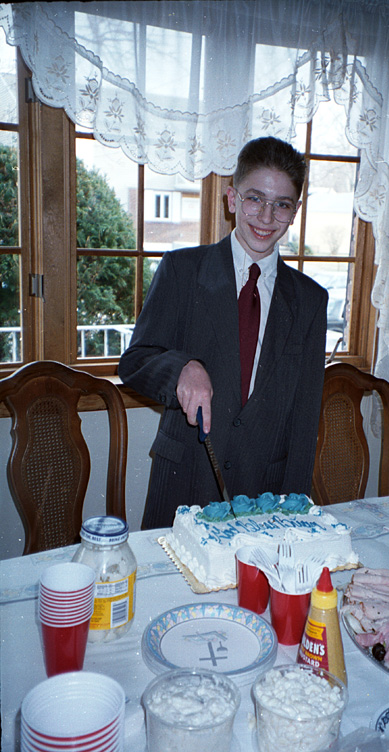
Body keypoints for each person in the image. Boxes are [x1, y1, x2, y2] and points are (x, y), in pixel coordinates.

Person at [119, 136, 328, 528]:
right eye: (254, 199)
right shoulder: (182, 271)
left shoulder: (310, 301)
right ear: (232, 199)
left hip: (264, 495)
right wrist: (183, 367)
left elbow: (304, 420)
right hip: (184, 484)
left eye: (281, 204)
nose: (266, 217)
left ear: (295, 212)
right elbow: (135, 360)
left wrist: (294, 510)